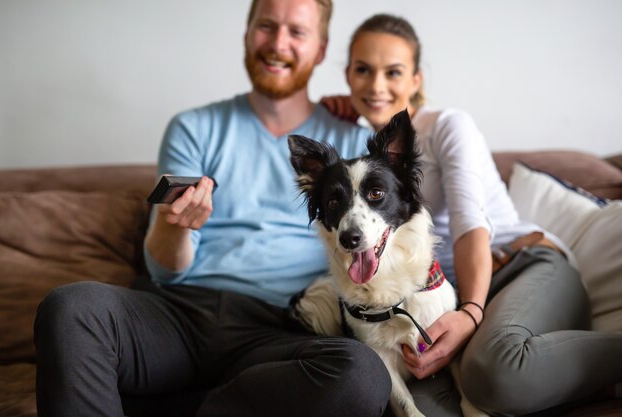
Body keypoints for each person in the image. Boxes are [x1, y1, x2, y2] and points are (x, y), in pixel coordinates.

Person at [33, 1, 394, 416]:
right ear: (246, 33)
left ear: (321, 49)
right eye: (266, 26)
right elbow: (165, 268)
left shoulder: (352, 142)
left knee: (362, 376)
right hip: (179, 315)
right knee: (70, 309)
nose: (278, 43)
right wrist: (177, 225)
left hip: (283, 328)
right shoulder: (194, 127)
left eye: (297, 32)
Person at [321, 13, 622, 416]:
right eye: (363, 70)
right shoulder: (359, 156)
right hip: (451, 296)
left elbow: (471, 228)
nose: (376, 86)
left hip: (522, 263)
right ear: (348, 76)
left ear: (416, 80)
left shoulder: (448, 126)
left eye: (393, 72)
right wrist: (323, 109)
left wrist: (471, 313)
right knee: (433, 405)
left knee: (495, 370)